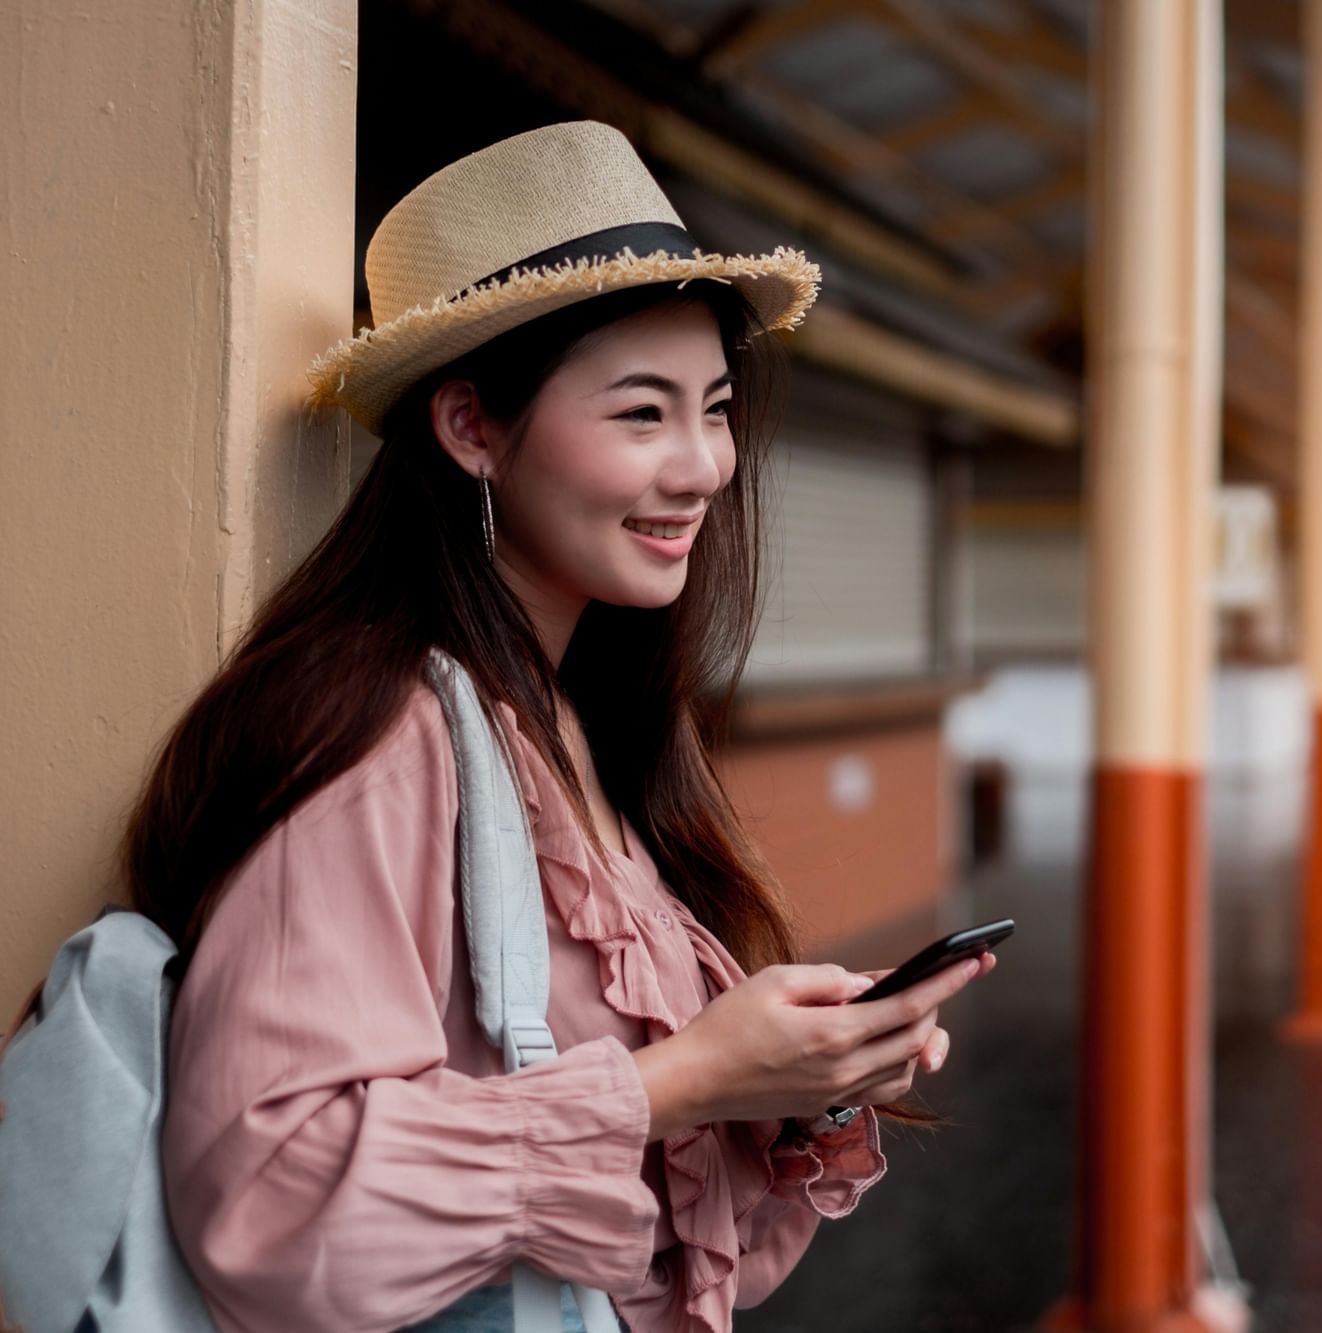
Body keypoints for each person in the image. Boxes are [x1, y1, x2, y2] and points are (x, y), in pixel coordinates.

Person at [132, 121, 996, 1333]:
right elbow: (267, 1205)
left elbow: (679, 1271)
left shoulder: (574, 726)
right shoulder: (382, 735)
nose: (702, 465)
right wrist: (682, 1077)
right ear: (471, 426)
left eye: (714, 408)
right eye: (641, 414)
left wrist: (795, 1088)